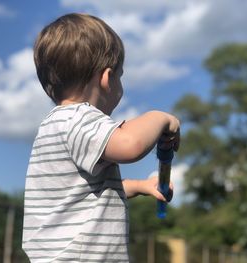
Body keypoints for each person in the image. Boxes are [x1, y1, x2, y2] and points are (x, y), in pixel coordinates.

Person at [22, 13, 180, 263]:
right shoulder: (78, 119)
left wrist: (140, 186)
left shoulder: (58, 125)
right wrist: (159, 117)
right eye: (120, 75)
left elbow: (85, 194)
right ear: (107, 78)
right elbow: (131, 144)